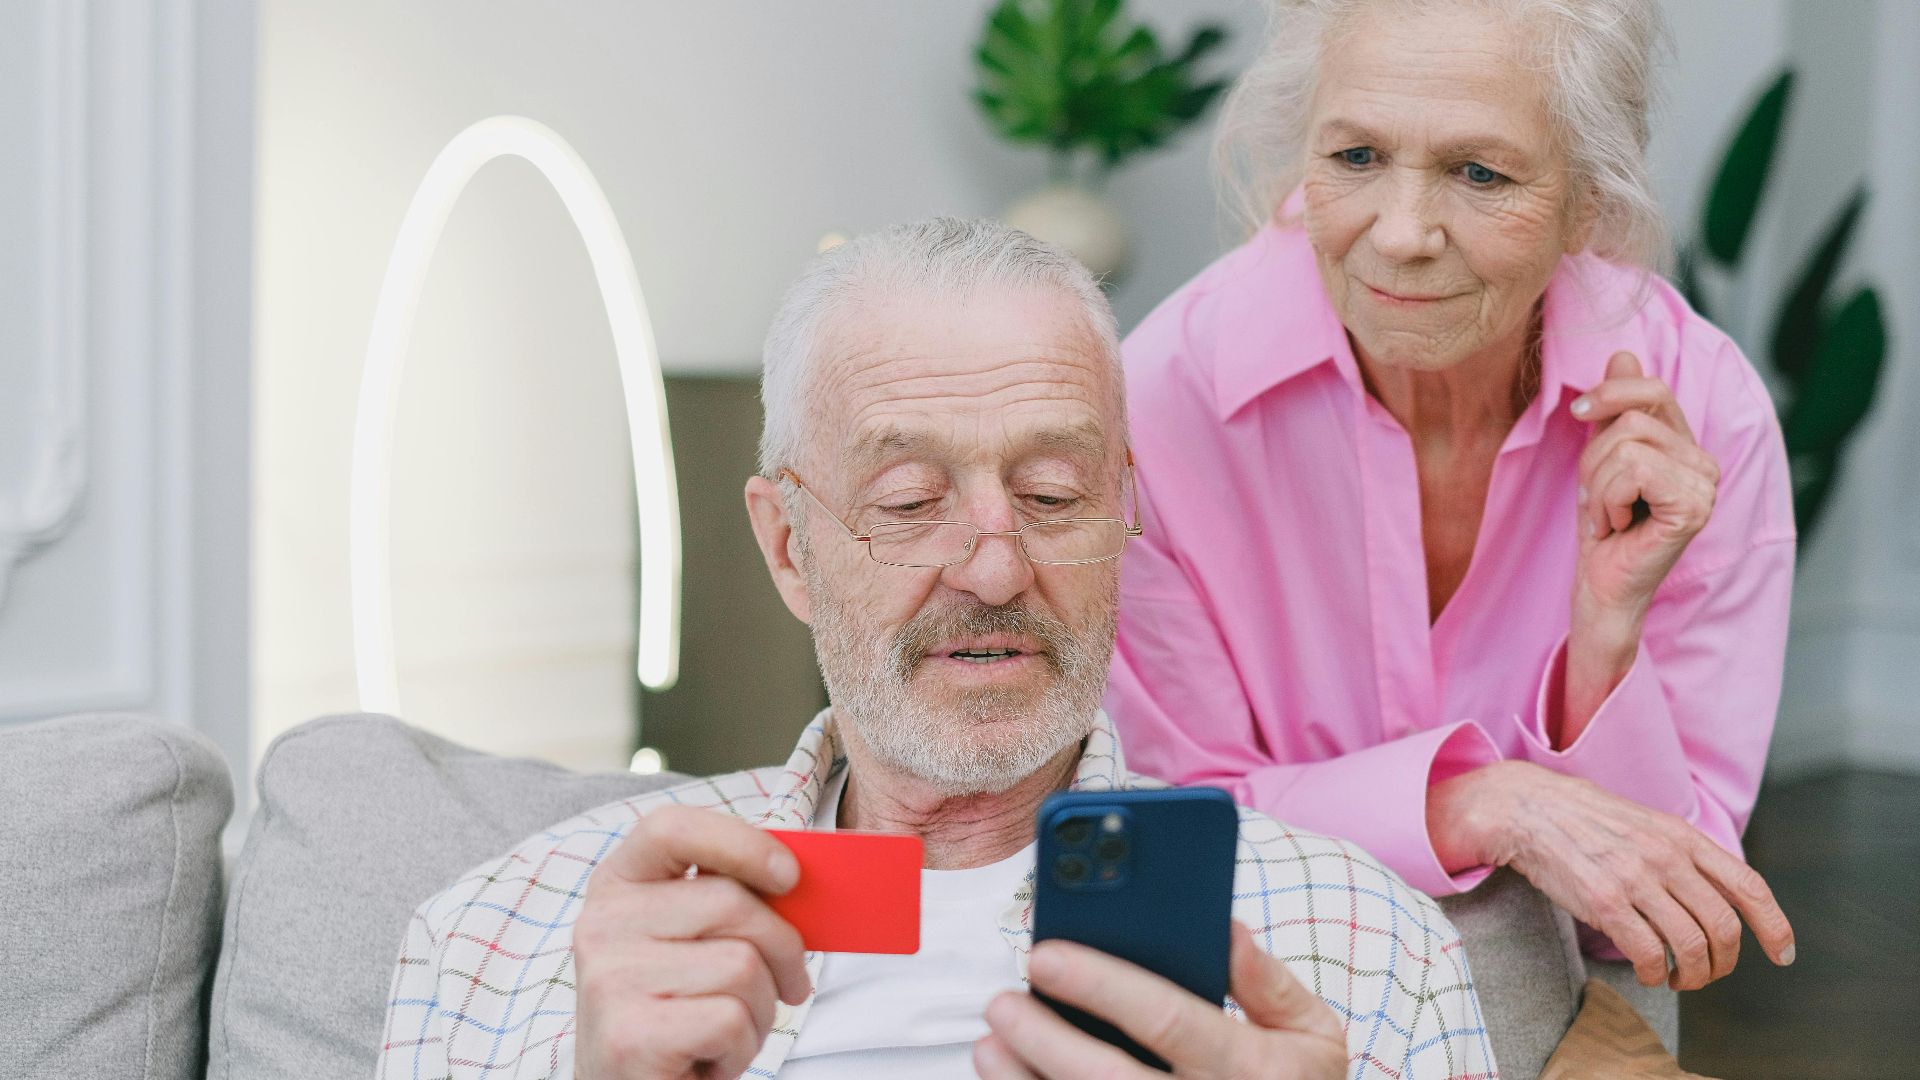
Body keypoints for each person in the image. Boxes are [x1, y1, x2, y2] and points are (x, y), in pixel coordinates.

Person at [377, 219, 1495, 1079]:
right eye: (910, 503)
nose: (996, 571)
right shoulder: (502, 938)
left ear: (1123, 513)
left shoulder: (1369, 950)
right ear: (788, 547)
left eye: (1052, 495)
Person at [1105, 0, 1796, 998]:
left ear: (1589, 203)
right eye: (1355, 157)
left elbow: (1660, 916)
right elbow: (1173, 838)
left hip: (1574, 995)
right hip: (1258, 992)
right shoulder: (1161, 406)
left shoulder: (1702, 410)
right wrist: (1482, 805)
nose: (1401, 234)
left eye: (1480, 174)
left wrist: (1604, 643)